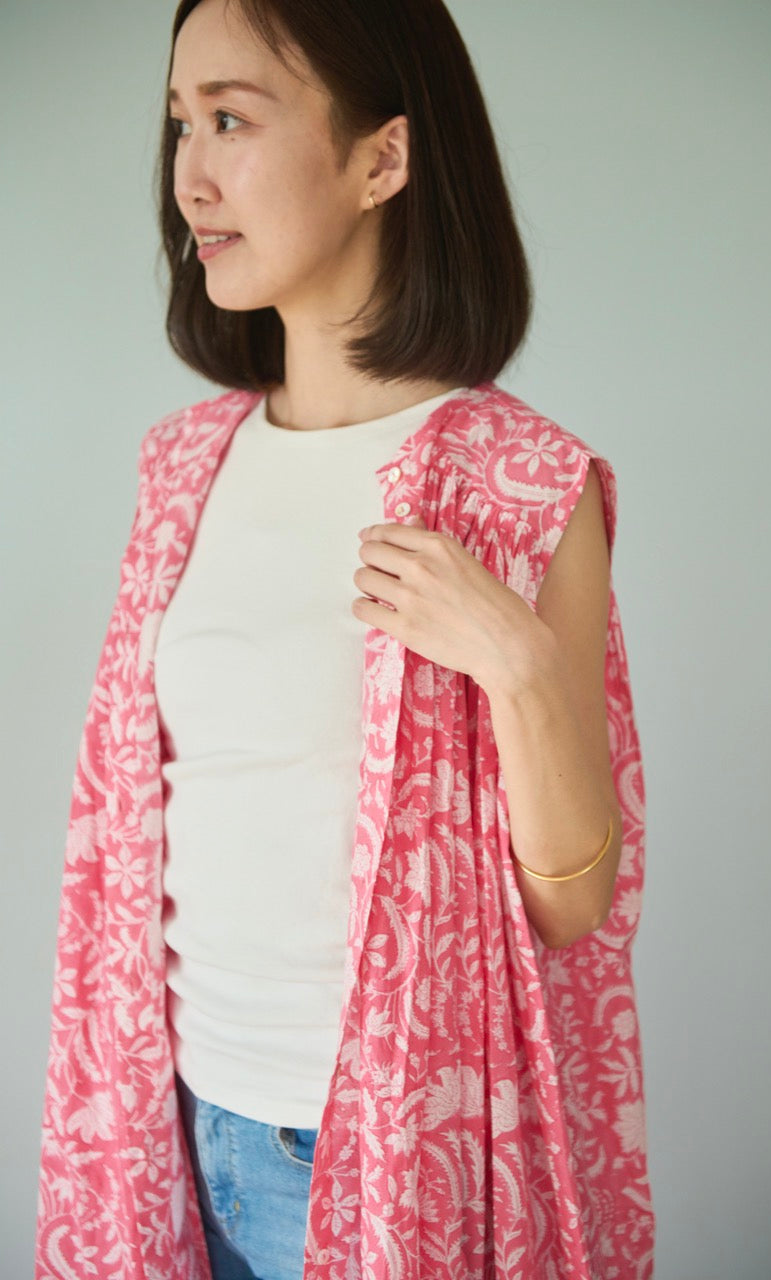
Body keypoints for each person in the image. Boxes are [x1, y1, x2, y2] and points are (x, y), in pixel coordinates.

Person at [34, 1, 655, 1278]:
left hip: (375, 1146)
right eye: (179, 123)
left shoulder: (520, 483)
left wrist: (520, 664)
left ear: (383, 158)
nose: (188, 175)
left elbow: (574, 904)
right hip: (164, 1123)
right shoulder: (182, 467)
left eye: (231, 119)